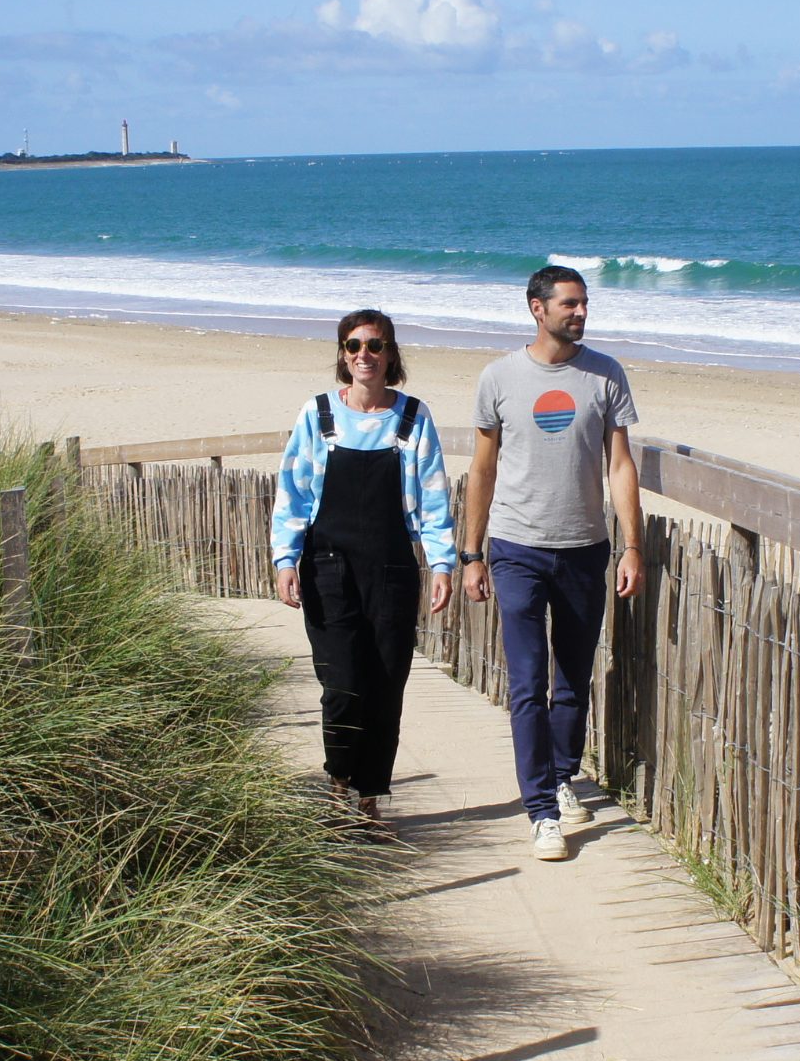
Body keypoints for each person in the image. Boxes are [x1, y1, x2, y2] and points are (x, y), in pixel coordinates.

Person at [458, 265, 642, 861]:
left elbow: (619, 466)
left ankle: (563, 779)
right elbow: (482, 469)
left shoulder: (606, 374)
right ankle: (539, 809)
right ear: (537, 308)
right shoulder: (500, 377)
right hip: (517, 548)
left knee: (572, 678)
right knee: (526, 682)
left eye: (585, 303)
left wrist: (632, 544)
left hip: (585, 548)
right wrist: (472, 554)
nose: (581, 313)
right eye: (569, 304)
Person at [271, 309, 456, 822]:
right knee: (342, 685)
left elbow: (434, 499)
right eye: (353, 346)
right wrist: (286, 558)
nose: (364, 356)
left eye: (374, 346)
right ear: (342, 355)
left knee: (385, 684)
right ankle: (338, 784)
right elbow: (293, 491)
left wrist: (442, 564)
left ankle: (371, 798)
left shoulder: (413, 418)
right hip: (328, 568)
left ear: (391, 353)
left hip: (392, 570)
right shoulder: (319, 415)